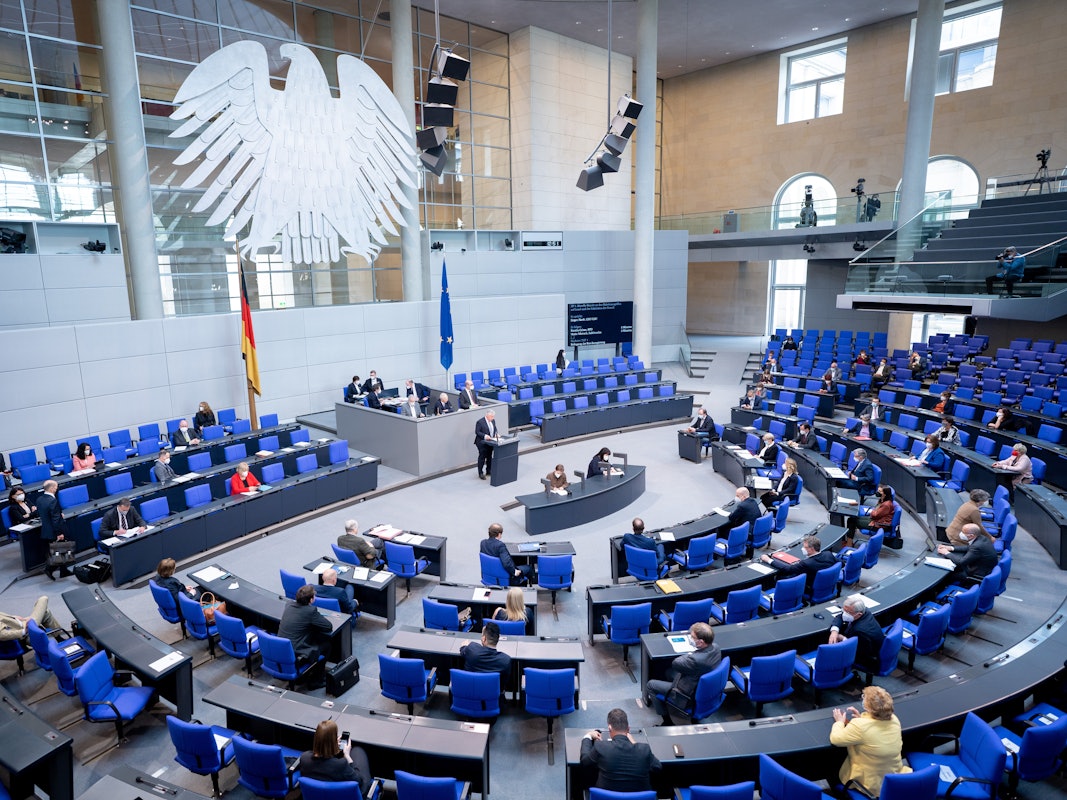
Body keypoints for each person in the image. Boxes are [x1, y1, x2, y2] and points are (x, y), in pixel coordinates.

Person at [830, 686, 908, 797]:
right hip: (894, 778)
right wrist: (861, 718)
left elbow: (836, 739)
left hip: (871, 785)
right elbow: (874, 728)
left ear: (869, 707)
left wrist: (839, 722)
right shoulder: (894, 719)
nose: (863, 698)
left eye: (864, 697)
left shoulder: (860, 726)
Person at [644, 622, 721, 725]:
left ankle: (667, 720)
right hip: (699, 683)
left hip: (687, 694)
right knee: (668, 672)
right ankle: (667, 698)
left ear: (701, 642)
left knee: (650, 685)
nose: (690, 638)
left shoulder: (695, 660)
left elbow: (675, 663)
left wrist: (690, 654)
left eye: (692, 637)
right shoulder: (716, 648)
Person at [580, 708, 661, 792]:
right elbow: (657, 767)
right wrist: (634, 743)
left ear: (609, 728)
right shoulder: (644, 750)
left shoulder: (601, 747)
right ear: (628, 729)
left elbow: (585, 761)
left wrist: (588, 736)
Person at [297, 720, 373, 798]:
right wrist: (347, 756)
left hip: (316, 796)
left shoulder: (304, 758)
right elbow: (359, 781)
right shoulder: (341, 765)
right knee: (358, 751)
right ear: (333, 740)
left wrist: (332, 746)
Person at [278, 584, 331, 688]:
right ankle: (316, 680)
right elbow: (328, 626)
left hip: (281, 650)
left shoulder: (288, 605)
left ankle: (304, 675)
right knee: (326, 645)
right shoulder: (310, 611)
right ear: (311, 600)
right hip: (296, 653)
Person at [828, 595, 886, 672]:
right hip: (867, 645)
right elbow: (840, 616)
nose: (845, 614)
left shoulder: (859, 631)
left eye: (848, 612)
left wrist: (843, 639)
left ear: (859, 614)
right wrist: (834, 631)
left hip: (868, 658)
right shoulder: (865, 612)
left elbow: (859, 652)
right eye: (844, 610)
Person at [764, 534, 839, 592]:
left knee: (780, 576)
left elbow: (788, 569)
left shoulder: (806, 563)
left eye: (804, 547)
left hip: (810, 586)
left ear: (811, 549)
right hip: (828, 584)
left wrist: (768, 560)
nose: (802, 549)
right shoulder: (828, 554)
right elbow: (841, 563)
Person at [37, 480, 68, 579]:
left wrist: (58, 514)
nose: (57, 489)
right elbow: (55, 519)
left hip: (46, 530)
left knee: (61, 549)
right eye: (56, 487)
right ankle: (49, 569)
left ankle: (64, 571)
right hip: (55, 531)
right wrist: (59, 533)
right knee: (59, 550)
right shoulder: (52, 501)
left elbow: (46, 514)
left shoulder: (40, 499)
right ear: (51, 488)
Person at [474, 410, 499, 480]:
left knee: (489, 457)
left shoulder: (493, 421)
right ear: (487, 416)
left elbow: (495, 429)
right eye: (491, 416)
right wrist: (485, 436)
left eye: (493, 416)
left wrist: (496, 433)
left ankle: (489, 471)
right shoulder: (480, 422)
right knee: (482, 457)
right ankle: (480, 473)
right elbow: (477, 432)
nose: (493, 418)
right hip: (481, 442)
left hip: (490, 442)